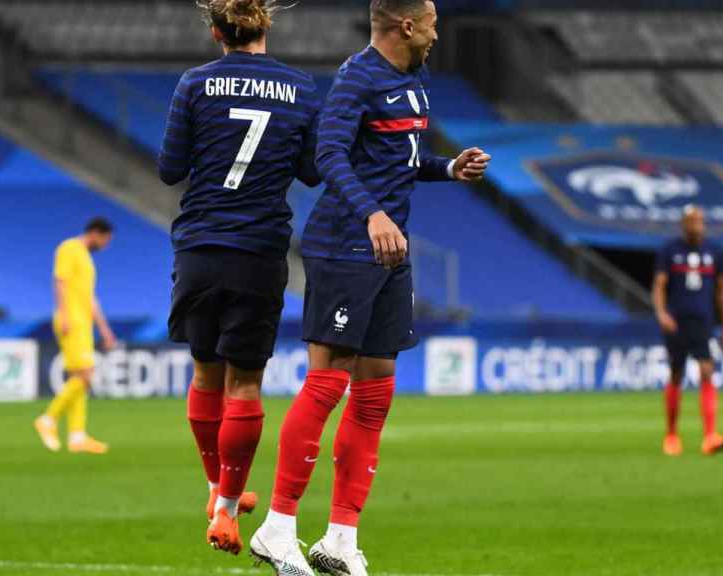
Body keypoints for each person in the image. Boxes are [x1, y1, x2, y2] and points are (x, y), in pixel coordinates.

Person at [249, 1, 490, 574]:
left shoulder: (414, 81)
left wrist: (448, 168)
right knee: (329, 381)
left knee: (376, 390)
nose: (437, 31)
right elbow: (329, 154)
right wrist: (373, 215)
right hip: (345, 244)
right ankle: (277, 527)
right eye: (431, 21)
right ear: (407, 25)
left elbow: (400, 159)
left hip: (391, 248)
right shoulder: (357, 77)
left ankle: (340, 537)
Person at [158, 0, 323, 557]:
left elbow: (170, 169)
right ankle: (227, 513)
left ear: (215, 32)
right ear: (265, 27)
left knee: (206, 375)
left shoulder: (195, 83)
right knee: (245, 385)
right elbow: (311, 170)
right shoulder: (300, 88)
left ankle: (214, 491)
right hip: (258, 250)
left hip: (200, 244)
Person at [653, 206, 723, 457]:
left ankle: (710, 436)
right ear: (683, 224)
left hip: (703, 322)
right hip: (676, 322)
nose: (698, 225)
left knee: (707, 371)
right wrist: (661, 313)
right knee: (676, 374)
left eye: (700, 220)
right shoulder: (670, 250)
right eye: (693, 221)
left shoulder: (714, 252)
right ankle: (672, 435)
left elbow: (721, 292)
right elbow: (659, 285)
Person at [34, 218, 117, 455]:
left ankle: (77, 436)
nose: (105, 245)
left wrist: (104, 329)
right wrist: (65, 314)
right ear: (95, 233)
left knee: (79, 378)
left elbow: (90, 298)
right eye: (105, 240)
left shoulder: (86, 259)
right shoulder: (69, 248)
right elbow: (60, 281)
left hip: (83, 322)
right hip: (72, 320)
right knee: (86, 375)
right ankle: (48, 419)